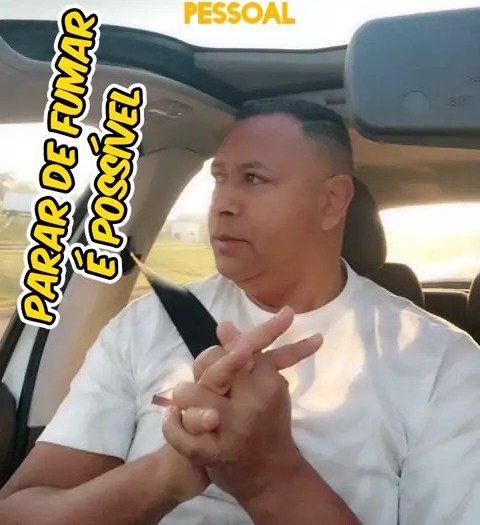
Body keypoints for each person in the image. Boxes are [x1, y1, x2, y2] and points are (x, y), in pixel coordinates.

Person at [1, 99, 480, 524]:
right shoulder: (144, 326)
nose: (222, 205)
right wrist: (169, 473)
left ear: (332, 201)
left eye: (253, 179)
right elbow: (19, 511)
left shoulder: (443, 363)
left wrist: (269, 475)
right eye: (219, 179)